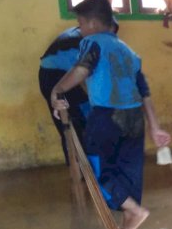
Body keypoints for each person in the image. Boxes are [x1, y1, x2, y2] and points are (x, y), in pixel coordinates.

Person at [51, 0, 171, 229]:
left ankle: (134, 211)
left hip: (107, 117)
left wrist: (57, 90)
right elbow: (144, 93)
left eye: (81, 24)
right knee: (128, 170)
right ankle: (130, 223)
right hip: (135, 117)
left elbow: (80, 70)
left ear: (92, 24)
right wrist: (155, 127)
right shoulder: (128, 52)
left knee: (96, 170)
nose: (80, 29)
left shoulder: (92, 43)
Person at [39, 18, 119, 165]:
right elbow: (83, 76)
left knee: (83, 122)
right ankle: (81, 172)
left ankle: (89, 170)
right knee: (72, 126)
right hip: (55, 78)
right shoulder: (83, 42)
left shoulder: (87, 37)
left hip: (60, 77)